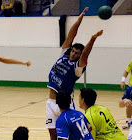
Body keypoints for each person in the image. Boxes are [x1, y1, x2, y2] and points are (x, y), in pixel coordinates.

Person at [46, 7, 103, 140]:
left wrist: (92, 39)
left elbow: (85, 56)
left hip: (65, 103)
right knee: (52, 134)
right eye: (73, 51)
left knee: (69, 134)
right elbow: (71, 35)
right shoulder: (64, 55)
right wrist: (79, 19)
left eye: (77, 53)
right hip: (50, 102)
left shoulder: (77, 68)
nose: (73, 54)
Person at [120, 61, 132, 129]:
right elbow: (126, 71)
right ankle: (128, 121)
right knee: (129, 104)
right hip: (131, 87)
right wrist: (123, 80)